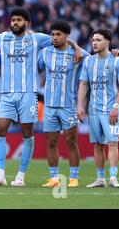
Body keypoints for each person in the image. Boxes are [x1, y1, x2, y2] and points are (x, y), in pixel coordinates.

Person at [0, 7, 83, 186]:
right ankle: (0, 175)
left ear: (26, 23)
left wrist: (76, 47)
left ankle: (20, 177)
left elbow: (62, 40)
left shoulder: (37, 38)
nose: (15, 23)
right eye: (13, 20)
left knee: (27, 132)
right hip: (7, 93)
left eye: (19, 20)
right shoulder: (3, 38)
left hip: (29, 94)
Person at [38, 21, 90, 188]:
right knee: (51, 142)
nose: (54, 37)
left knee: (71, 141)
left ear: (67, 36)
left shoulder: (78, 54)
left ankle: (73, 178)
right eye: (52, 34)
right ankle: (54, 178)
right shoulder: (45, 52)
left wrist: (75, 46)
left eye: (58, 34)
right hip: (50, 106)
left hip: (69, 105)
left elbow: (97, 60)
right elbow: (36, 70)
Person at [78, 29, 119, 188]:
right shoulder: (88, 62)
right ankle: (100, 179)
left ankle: (113, 178)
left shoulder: (118, 61)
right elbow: (84, 84)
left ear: (108, 42)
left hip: (111, 109)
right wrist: (80, 105)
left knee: (112, 143)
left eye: (98, 40)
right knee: (97, 144)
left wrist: (116, 106)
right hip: (93, 110)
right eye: (93, 40)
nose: (94, 43)